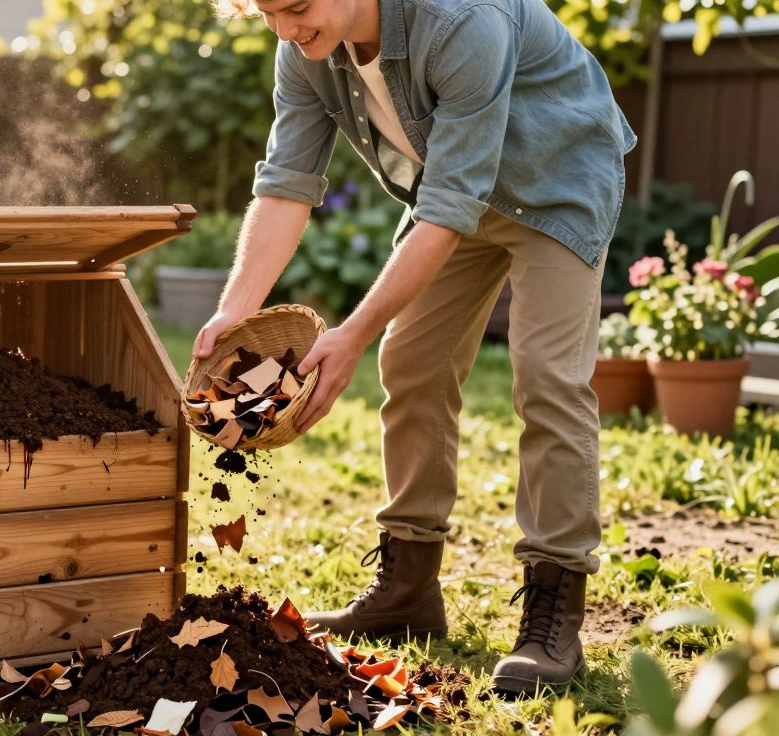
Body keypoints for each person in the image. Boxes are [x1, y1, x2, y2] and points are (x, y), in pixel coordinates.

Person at [195, 0, 636, 694]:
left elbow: (448, 208)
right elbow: (286, 184)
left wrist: (349, 334)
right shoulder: (307, 50)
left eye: (296, 7)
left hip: (556, 183)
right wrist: (233, 312)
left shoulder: (462, 22)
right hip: (456, 197)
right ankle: (409, 585)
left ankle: (555, 605)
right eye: (266, 13)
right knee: (412, 361)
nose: (284, 28)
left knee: (548, 377)